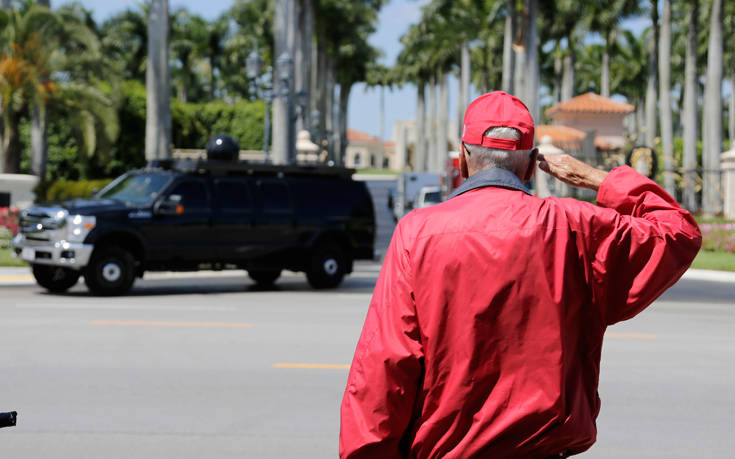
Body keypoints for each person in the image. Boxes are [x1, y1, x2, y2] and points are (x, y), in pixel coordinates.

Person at [339, 91, 702, 458]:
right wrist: (597, 179)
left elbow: (384, 367)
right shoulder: (575, 226)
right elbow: (679, 232)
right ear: (531, 165)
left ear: (463, 159)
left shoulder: (417, 232)